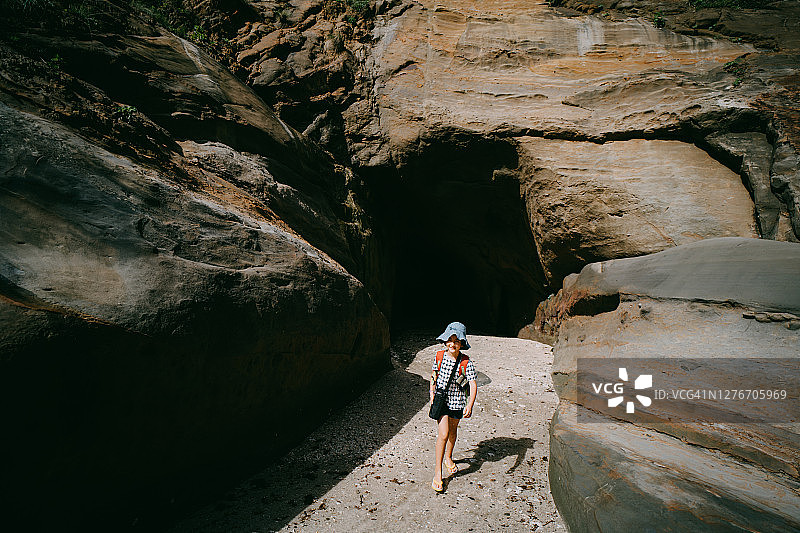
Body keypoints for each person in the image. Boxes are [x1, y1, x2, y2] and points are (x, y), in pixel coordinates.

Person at [430, 321, 477, 492]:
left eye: (456, 341)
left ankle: (448, 457)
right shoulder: (439, 356)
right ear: (445, 341)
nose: (452, 344)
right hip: (442, 401)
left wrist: (470, 404)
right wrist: (432, 393)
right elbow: (434, 375)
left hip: (458, 402)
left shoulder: (466, 362)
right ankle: (438, 472)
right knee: (443, 434)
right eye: (449, 340)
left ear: (462, 343)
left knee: (453, 430)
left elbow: (472, 384)